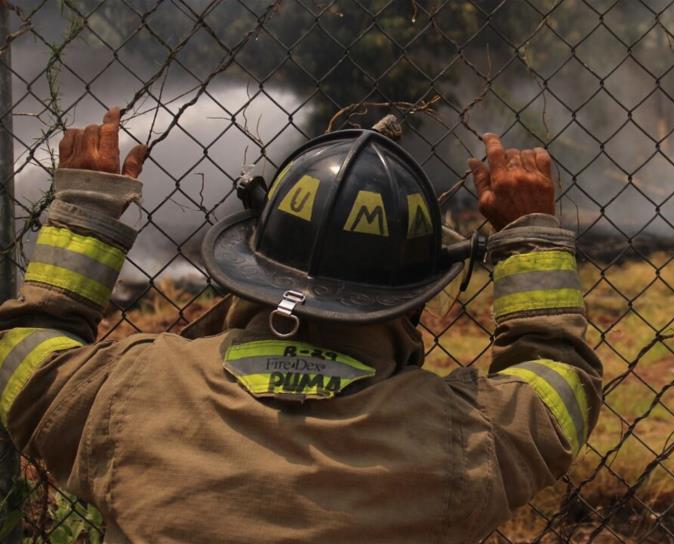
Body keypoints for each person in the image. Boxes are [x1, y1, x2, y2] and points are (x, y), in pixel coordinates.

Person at [0, 107, 602, 543]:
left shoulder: (134, 391)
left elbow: (28, 357)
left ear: (248, 262)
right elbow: (558, 386)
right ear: (411, 297)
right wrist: (530, 238)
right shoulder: (458, 441)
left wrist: (86, 210)